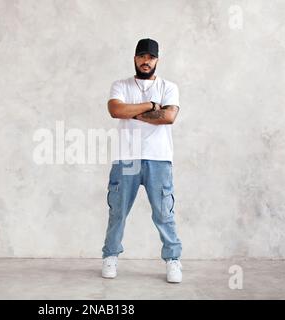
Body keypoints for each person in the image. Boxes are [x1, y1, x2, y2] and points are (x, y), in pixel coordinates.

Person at [101, 38, 183, 283]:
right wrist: (150, 105)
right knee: (118, 212)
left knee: (163, 213)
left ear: (157, 60)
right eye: (141, 56)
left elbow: (168, 117)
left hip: (159, 158)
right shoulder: (120, 85)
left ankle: (173, 260)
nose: (146, 61)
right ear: (134, 58)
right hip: (126, 157)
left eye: (150, 57)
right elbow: (116, 111)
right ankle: (110, 256)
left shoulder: (169, 87)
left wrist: (133, 111)